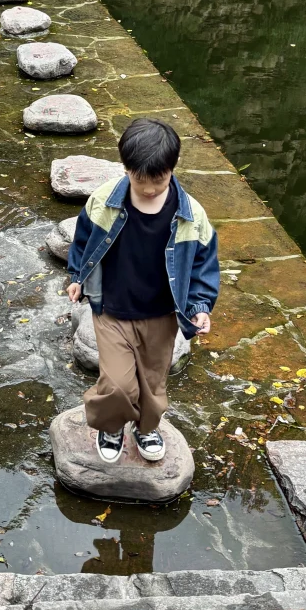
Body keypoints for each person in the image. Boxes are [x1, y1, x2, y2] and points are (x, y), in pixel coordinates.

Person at [66, 117, 219, 465]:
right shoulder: (104, 201)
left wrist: (200, 305)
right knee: (118, 382)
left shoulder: (191, 215)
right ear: (126, 168)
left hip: (161, 314)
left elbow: (203, 263)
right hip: (111, 309)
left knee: (152, 382)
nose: (149, 189)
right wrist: (77, 276)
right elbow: (83, 241)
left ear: (173, 167)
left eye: (159, 181)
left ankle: (147, 427)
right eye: (140, 181)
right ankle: (111, 425)